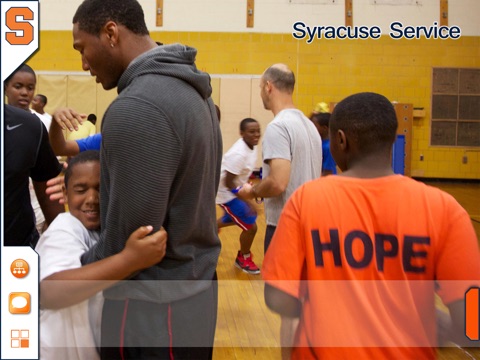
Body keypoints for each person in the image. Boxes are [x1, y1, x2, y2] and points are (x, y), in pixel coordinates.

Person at [262, 92, 480, 359]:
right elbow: (473, 323)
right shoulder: (446, 210)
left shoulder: (306, 200)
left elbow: (277, 296)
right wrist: (432, 320)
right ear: (391, 140)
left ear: (340, 141)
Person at [60, 1, 222, 358]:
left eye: (81, 49)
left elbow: (129, 241)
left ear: (111, 33)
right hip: (196, 289)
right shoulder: (196, 92)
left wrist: (71, 271)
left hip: (151, 306)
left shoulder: (137, 106)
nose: (84, 64)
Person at [36, 151, 168, 360]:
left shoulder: (106, 230)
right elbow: (50, 292)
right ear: (65, 191)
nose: (92, 199)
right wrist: (130, 260)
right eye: (80, 190)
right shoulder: (64, 228)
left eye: (101, 189)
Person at [238, 63, 322, 253]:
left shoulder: (279, 127)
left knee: (277, 284)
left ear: (269, 87)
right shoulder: (310, 127)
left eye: (260, 88)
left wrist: (252, 192)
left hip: (285, 229)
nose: (261, 93)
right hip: (310, 227)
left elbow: (277, 183)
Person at [4, 104, 63, 247]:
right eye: (18, 86)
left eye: (30, 87)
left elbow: (47, 190)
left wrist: (62, 240)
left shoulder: (29, 125)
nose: (24, 92)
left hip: (18, 250)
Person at [217, 118, 261, 274]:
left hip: (233, 188)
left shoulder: (251, 146)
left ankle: (212, 228)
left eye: (258, 131)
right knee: (251, 226)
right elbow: (228, 182)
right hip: (224, 193)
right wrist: (248, 200)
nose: (256, 135)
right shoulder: (238, 153)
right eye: (251, 131)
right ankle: (243, 258)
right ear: (242, 133)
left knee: (240, 217)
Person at [310, 111, 337, 176]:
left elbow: (328, 172)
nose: (311, 128)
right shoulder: (319, 143)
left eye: (314, 126)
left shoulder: (328, 147)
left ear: (324, 128)